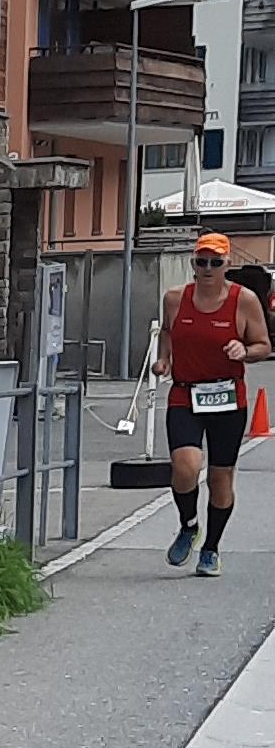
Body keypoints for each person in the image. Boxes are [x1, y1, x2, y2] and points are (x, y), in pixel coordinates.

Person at [155, 233, 271, 576]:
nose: (207, 268)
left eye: (215, 262)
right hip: (185, 393)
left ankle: (211, 548)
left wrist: (244, 351)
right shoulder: (175, 298)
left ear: (227, 265)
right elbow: (166, 331)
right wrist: (164, 360)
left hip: (227, 398)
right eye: (201, 261)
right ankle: (189, 525)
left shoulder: (244, 300)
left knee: (220, 481)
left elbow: (263, 344)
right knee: (185, 466)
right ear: (194, 263)